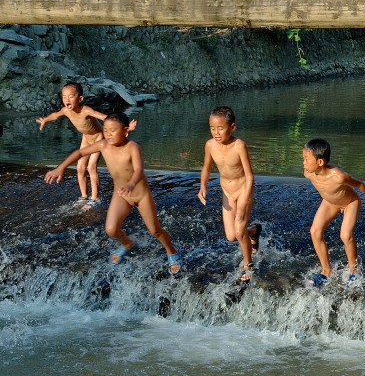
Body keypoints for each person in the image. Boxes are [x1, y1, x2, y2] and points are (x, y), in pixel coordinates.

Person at [44, 111, 182, 274]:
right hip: (121, 195)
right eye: (106, 130)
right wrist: (61, 167)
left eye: (113, 130)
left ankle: (172, 251)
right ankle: (128, 244)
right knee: (111, 230)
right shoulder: (103, 145)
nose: (108, 134)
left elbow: (138, 170)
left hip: (140, 194)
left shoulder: (132, 147)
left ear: (125, 130)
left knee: (154, 230)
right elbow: (80, 153)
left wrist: (131, 184)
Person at [36, 82, 137, 206]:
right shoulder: (66, 111)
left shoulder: (86, 110)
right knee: (80, 167)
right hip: (86, 138)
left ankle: (95, 198)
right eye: (64, 97)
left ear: (80, 99)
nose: (67, 99)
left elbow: (105, 118)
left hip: (99, 137)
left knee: (91, 167)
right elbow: (55, 115)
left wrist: (125, 127)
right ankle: (84, 196)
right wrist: (45, 120)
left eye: (71, 96)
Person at [302, 138, 365, 286]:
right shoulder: (308, 173)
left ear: (320, 162)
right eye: (303, 159)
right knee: (315, 231)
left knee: (345, 235)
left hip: (349, 202)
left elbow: (359, 184)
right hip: (330, 202)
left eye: (307, 159)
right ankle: (326, 271)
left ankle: (353, 271)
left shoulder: (338, 176)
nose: (303, 163)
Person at [198, 107, 261, 284]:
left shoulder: (239, 145)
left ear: (232, 127)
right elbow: (206, 167)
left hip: (243, 191)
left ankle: (248, 264)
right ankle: (254, 232)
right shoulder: (210, 145)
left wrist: (244, 201)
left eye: (220, 128)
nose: (216, 133)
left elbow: (249, 176)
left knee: (239, 230)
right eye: (212, 128)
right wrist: (203, 186)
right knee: (232, 236)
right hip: (227, 192)